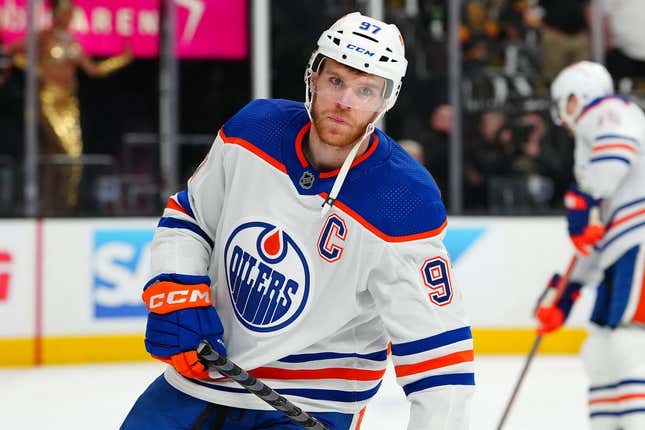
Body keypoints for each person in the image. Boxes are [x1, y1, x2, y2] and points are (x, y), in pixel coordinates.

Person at [121, 12, 475, 430]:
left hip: (310, 404)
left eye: (365, 90)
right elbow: (192, 216)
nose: (345, 101)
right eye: (336, 81)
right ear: (313, 77)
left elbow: (440, 360)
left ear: (385, 101)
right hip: (197, 382)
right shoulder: (252, 132)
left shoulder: (403, 200)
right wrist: (177, 286)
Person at [535, 61, 645, 430]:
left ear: (573, 97)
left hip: (639, 245)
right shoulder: (596, 152)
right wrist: (566, 294)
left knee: (629, 342)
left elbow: (614, 158)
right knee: (601, 343)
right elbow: (596, 241)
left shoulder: (610, 111)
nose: (561, 119)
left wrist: (581, 201)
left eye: (561, 105)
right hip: (624, 248)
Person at [5, 0, 131, 214]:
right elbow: (11, 51)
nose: (69, 17)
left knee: (59, 156)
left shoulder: (72, 43)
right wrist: (34, 69)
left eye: (71, 13)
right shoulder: (44, 36)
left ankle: (56, 205)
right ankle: (61, 204)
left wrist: (121, 60)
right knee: (68, 152)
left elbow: (93, 70)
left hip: (69, 103)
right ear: (56, 14)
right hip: (48, 101)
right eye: (66, 13)